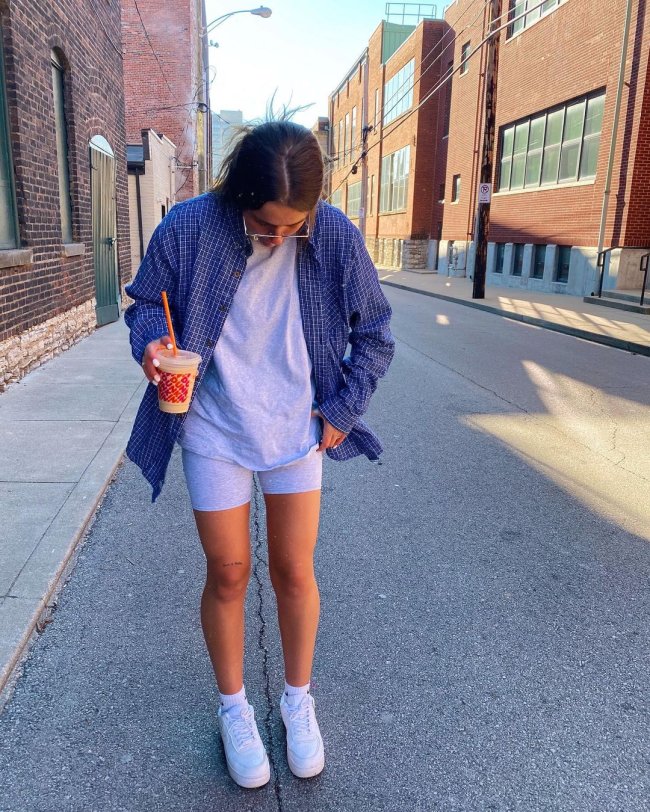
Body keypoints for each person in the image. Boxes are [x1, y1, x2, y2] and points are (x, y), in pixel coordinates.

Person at [124, 117, 394, 789]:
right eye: (266, 225)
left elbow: (377, 333)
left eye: (291, 225)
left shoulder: (331, 234)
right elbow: (143, 308)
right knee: (228, 571)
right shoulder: (188, 228)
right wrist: (154, 346)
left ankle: (297, 701)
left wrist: (342, 409)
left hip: (295, 430)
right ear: (240, 196)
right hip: (214, 425)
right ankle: (234, 708)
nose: (279, 237)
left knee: (295, 572)